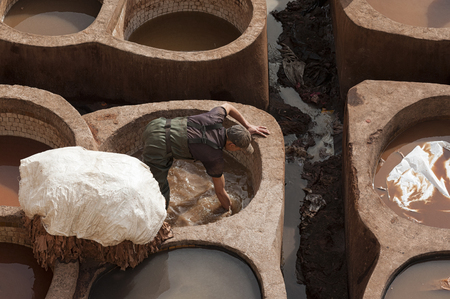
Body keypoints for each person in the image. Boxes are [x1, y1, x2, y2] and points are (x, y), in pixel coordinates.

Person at [142, 103, 270, 210]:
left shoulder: (215, 117)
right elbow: (220, 192)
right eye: (239, 148)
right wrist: (229, 210)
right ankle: (158, 223)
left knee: (163, 164)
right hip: (157, 145)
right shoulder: (214, 157)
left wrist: (247, 126)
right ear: (231, 144)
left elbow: (229, 107)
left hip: (156, 125)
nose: (239, 151)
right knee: (159, 189)